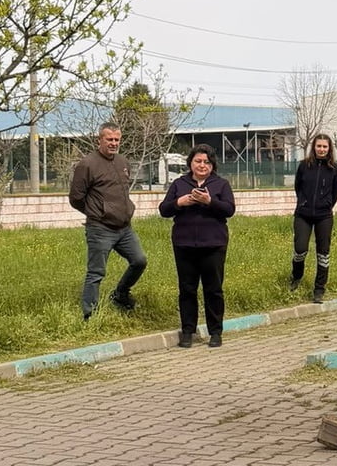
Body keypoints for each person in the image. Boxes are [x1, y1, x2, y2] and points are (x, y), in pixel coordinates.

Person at [159, 144, 236, 348]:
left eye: (207, 162)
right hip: (184, 244)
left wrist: (209, 201)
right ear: (191, 163)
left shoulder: (221, 184)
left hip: (213, 244)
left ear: (212, 165)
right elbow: (164, 210)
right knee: (187, 289)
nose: (202, 165)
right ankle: (188, 331)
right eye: (198, 161)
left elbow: (229, 210)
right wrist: (180, 203)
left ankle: (216, 332)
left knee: (213, 289)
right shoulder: (179, 184)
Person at [68, 123, 147, 321]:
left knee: (139, 261)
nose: (113, 143)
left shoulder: (123, 162)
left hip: (124, 229)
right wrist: (97, 213)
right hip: (100, 229)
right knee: (96, 272)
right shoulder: (87, 164)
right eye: (109, 139)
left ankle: (120, 295)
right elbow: (76, 197)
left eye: (116, 140)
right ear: (99, 140)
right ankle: (89, 314)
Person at [290, 133, 337, 303]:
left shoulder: (334, 168)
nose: (321, 149)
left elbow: (336, 192)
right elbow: (298, 187)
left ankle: (319, 289)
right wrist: (304, 203)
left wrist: (325, 205)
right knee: (300, 248)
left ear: (329, 149)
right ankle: (296, 277)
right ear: (314, 147)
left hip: (324, 216)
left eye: (324, 147)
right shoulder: (304, 166)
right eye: (318, 146)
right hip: (303, 215)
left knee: (323, 252)